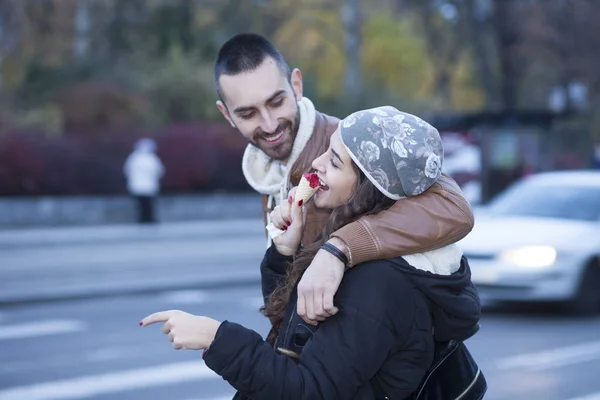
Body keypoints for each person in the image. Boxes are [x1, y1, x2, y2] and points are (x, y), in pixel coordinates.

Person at [141, 107, 481, 399]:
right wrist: (284, 255)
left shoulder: (378, 281)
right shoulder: (356, 246)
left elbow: (307, 390)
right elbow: (293, 336)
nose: (316, 164)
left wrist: (216, 338)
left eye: (334, 161)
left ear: (369, 187)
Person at [212, 33, 474, 324]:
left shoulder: (349, 143)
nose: (270, 124)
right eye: (248, 114)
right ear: (227, 114)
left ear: (296, 85)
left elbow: (453, 208)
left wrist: (338, 248)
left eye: (276, 102)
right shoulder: (269, 175)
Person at [123, 138, 165, 224]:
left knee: (140, 205)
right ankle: (149, 219)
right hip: (149, 186)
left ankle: (142, 219)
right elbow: (159, 171)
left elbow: (127, 171)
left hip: (136, 186)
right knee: (149, 205)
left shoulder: (133, 158)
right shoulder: (152, 158)